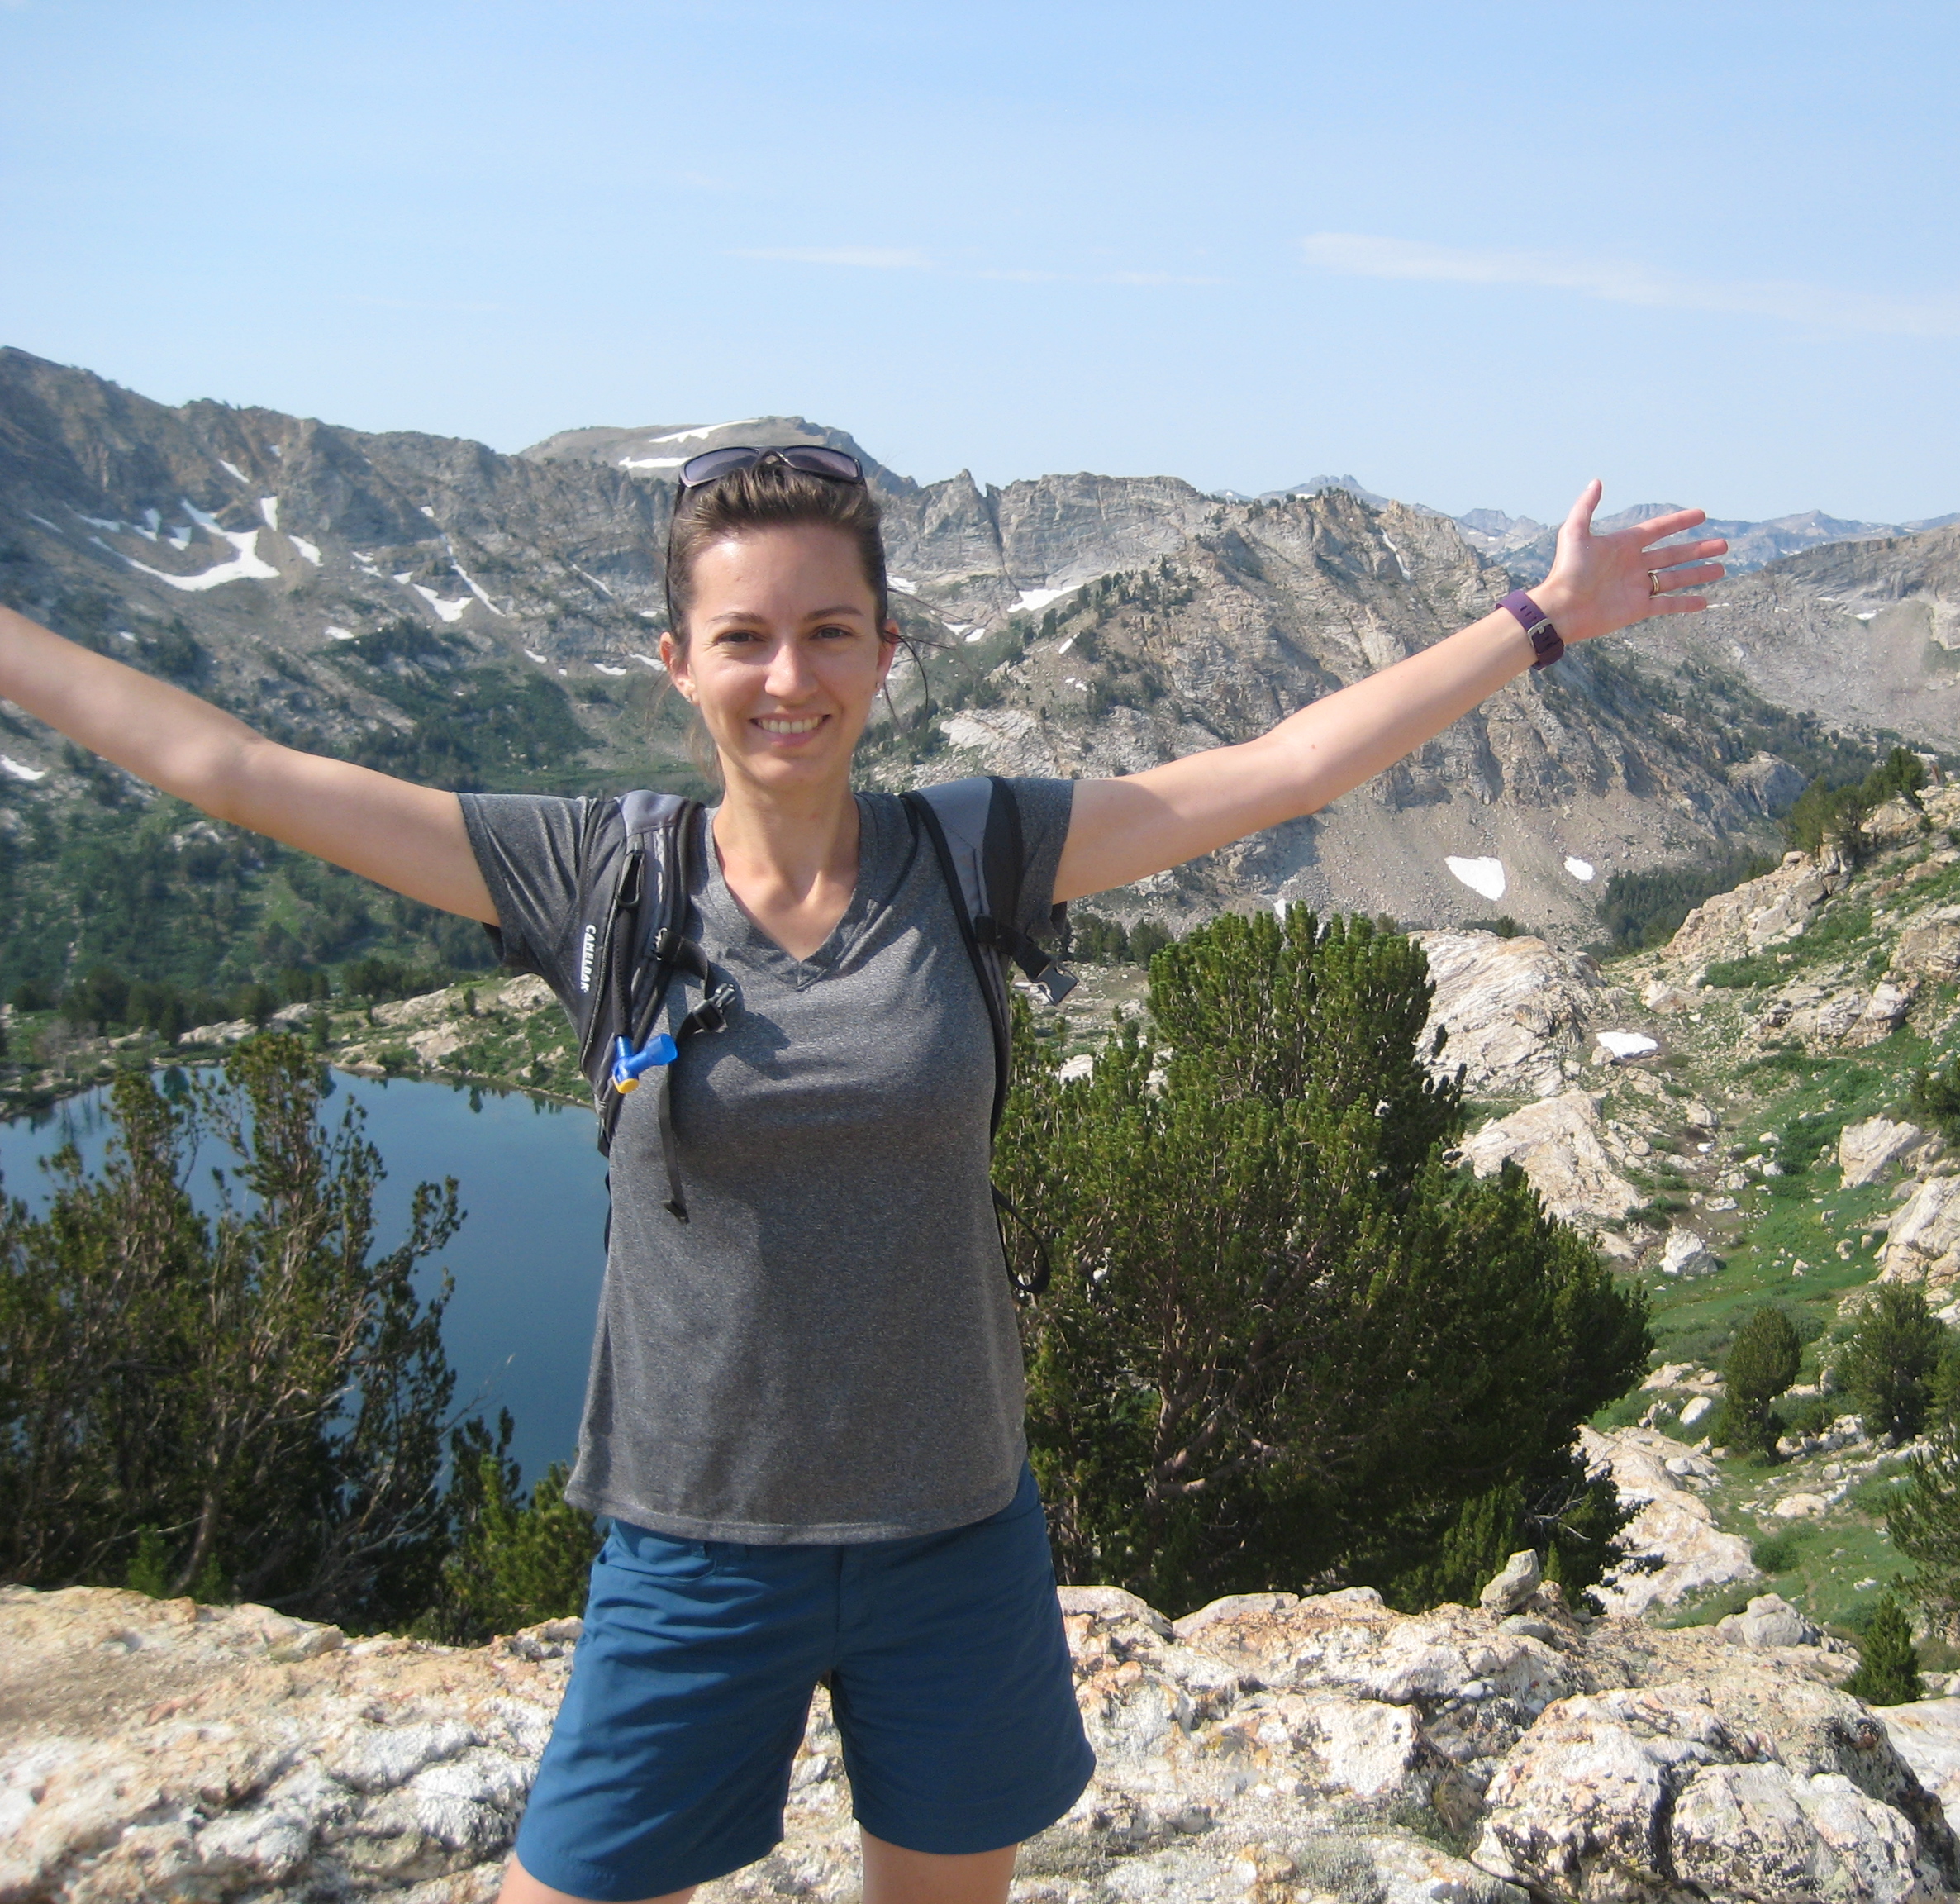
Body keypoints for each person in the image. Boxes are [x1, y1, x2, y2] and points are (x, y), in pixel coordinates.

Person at [0, 446, 1724, 1904]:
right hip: (692, 1541)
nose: (788, 677)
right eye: (743, 637)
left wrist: (1540, 620)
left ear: (887, 652)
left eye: (830, 632)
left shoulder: (977, 851)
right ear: (676, 659)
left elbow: (1279, 770)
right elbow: (228, 767)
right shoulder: (594, 873)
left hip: (953, 1533)